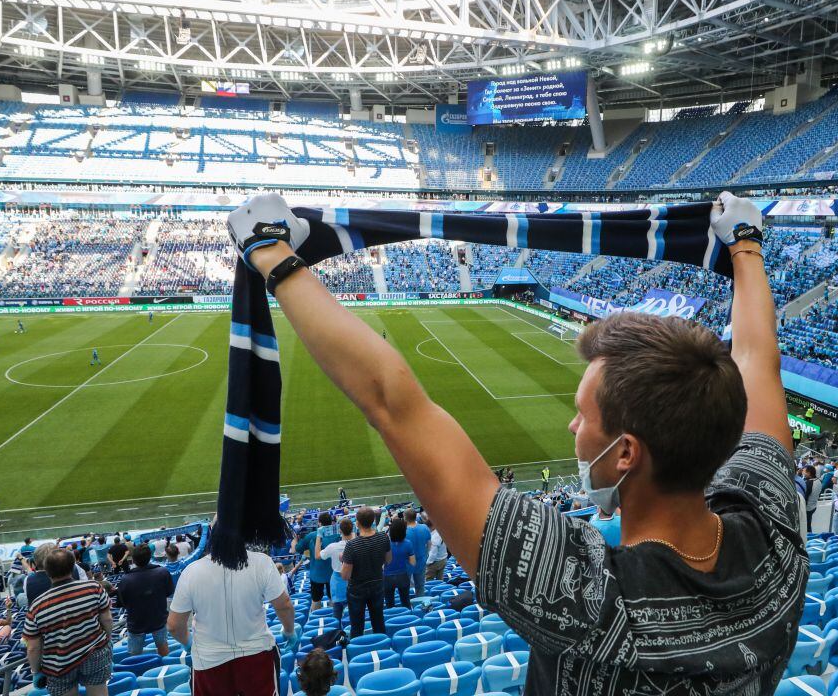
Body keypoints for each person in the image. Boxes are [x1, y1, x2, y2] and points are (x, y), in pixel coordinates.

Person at [228, 191, 807, 692]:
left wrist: (274, 257)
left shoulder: (590, 600)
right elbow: (757, 361)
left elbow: (394, 404)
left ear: (627, 453)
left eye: (584, 418)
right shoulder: (774, 535)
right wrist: (746, 249)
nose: (573, 429)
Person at [167, 539, 297, 694]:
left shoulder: (191, 571)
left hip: (209, 659)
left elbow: (174, 626)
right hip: (256, 655)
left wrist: (188, 642)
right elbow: (284, 606)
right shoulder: (262, 562)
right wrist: (289, 631)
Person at [24, 549, 113, 696]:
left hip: (58, 665)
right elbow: (107, 620)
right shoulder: (94, 587)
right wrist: (107, 640)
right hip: (95, 653)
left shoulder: (37, 605)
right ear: (72, 567)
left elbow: (33, 647)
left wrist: (36, 670)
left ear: (47, 571)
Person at [341, 506, 391, 637]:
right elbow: (388, 560)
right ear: (373, 520)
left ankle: (359, 654)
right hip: (377, 584)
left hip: (357, 589)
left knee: (357, 626)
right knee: (379, 622)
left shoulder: (351, 545)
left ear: (357, 523)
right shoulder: (383, 538)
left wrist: (344, 561)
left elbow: (345, 576)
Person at [117, 545, 175, 656]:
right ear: (150, 557)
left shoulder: (125, 579)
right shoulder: (162, 572)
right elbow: (168, 592)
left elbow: (122, 603)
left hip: (136, 622)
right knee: (163, 648)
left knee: (135, 655)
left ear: (133, 560)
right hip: (159, 619)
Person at [317, 517, 354, 622]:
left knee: (337, 614)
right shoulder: (358, 544)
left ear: (340, 531)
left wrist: (318, 536)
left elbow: (317, 556)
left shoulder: (333, 547)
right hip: (354, 580)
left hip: (339, 582)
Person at [383, 518, 415, 608]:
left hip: (387, 577)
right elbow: (413, 562)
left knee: (389, 604)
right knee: (405, 602)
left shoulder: (386, 543)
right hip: (402, 575)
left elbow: (382, 561)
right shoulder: (408, 544)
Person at [403, 508, 430, 597]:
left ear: (405, 518)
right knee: (420, 586)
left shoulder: (403, 531)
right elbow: (429, 544)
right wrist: (426, 555)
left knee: (406, 587)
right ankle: (420, 606)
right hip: (421, 560)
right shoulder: (424, 527)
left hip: (408, 563)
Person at [424, 517, 448, 581]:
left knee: (428, 580)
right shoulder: (441, 531)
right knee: (440, 580)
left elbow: (433, 554)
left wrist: (427, 563)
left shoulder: (434, 538)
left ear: (432, 527)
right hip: (443, 559)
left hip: (435, 562)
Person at [802, 465, 819, 533]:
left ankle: (809, 538)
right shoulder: (818, 480)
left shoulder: (809, 483)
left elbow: (805, 497)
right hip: (813, 506)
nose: (802, 472)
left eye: (804, 471)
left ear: (809, 473)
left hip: (807, 508)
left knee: (806, 526)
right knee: (808, 523)